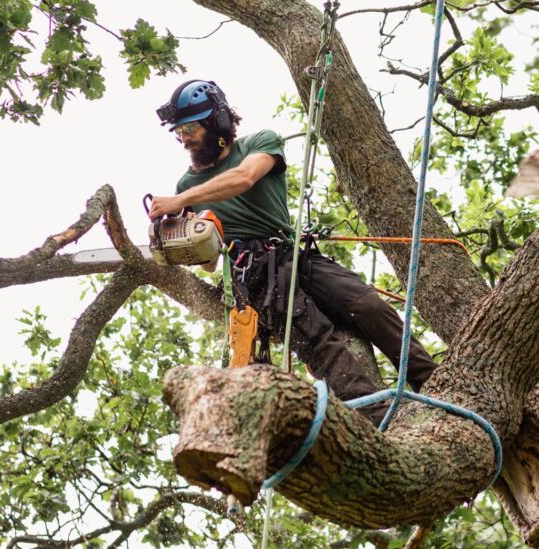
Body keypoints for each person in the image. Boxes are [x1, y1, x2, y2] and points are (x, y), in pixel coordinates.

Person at [148, 79, 438, 425]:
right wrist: (184, 238)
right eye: (179, 131)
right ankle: (378, 418)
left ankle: (434, 383)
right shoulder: (187, 184)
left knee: (368, 304)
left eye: (191, 128)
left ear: (218, 122)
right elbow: (211, 264)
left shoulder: (259, 143)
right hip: (253, 272)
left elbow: (243, 178)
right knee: (317, 337)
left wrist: (181, 201)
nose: (185, 138)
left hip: (292, 255)